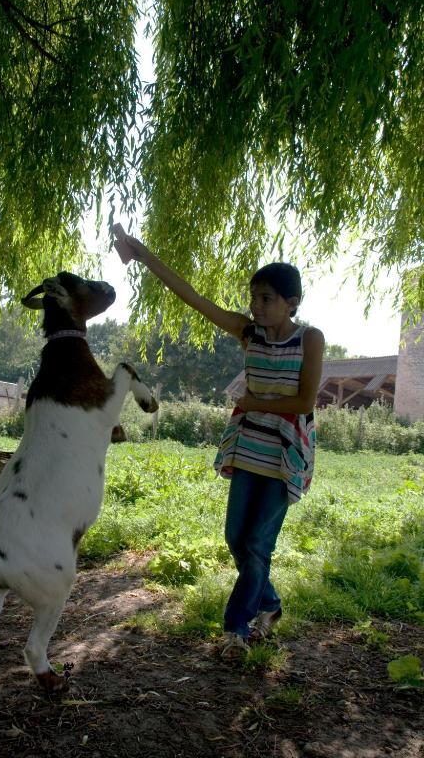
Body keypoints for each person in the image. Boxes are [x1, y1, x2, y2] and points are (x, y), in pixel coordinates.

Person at [114, 230, 324, 659]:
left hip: (285, 455)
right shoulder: (249, 333)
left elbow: (305, 401)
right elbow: (192, 296)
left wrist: (254, 401)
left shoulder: (310, 339)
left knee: (257, 545)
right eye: (253, 297)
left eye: (266, 298)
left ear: (292, 303)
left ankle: (237, 631)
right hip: (249, 449)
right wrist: (141, 253)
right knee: (236, 539)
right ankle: (270, 603)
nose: (256, 306)